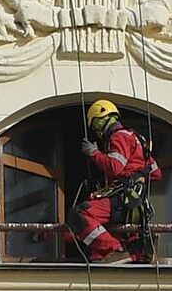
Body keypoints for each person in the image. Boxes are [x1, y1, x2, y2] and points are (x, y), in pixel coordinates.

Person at [69, 100, 162, 264]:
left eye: (96, 125)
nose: (97, 131)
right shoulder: (138, 140)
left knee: (79, 214)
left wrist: (94, 153)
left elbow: (114, 167)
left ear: (101, 119)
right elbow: (156, 173)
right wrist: (138, 173)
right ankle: (131, 254)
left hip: (121, 198)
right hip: (136, 201)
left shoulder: (118, 137)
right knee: (109, 238)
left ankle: (113, 249)